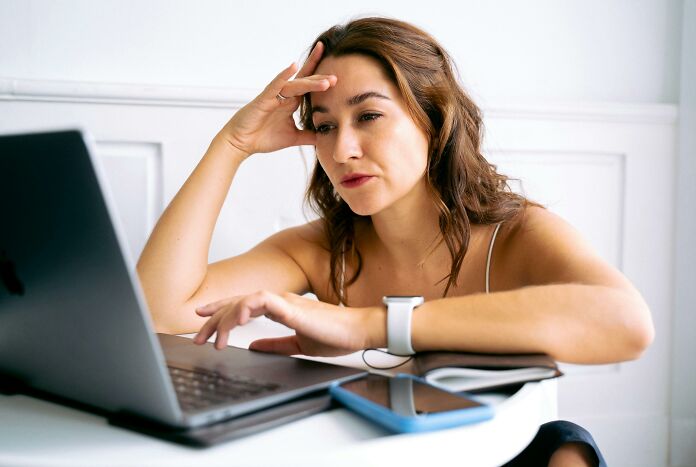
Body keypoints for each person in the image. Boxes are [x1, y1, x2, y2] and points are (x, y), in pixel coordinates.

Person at [137, 17, 653, 466]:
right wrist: (233, 145)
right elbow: (161, 310)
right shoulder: (320, 249)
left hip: (496, 456)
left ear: (433, 116)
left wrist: (362, 325)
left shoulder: (515, 234)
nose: (342, 149)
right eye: (323, 126)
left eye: (368, 116)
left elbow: (626, 322)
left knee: (567, 447)